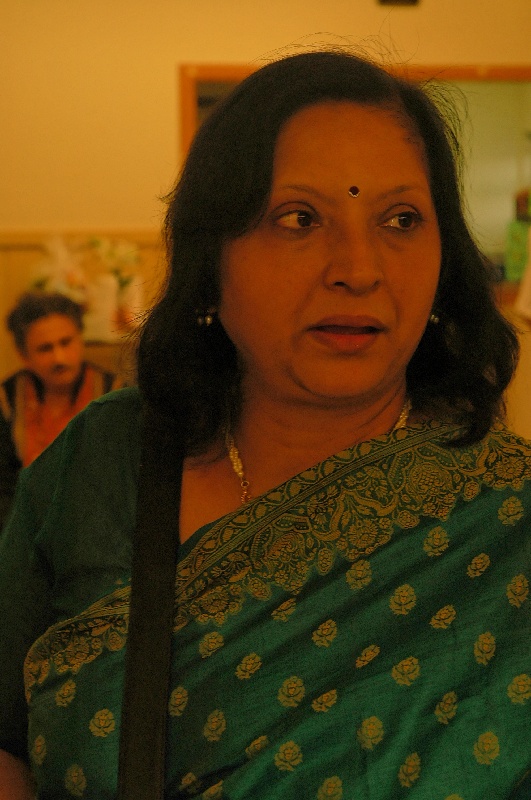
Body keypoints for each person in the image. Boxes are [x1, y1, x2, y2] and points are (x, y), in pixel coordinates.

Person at [0, 49, 529, 800]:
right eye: (299, 219)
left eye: (400, 219)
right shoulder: (105, 461)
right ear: (210, 261)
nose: (358, 269)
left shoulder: (506, 522)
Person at [0, 292, 121, 529]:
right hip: (23, 527)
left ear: (80, 339)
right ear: (24, 355)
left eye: (66, 342)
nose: (59, 358)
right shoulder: (7, 399)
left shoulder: (114, 392)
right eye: (45, 349)